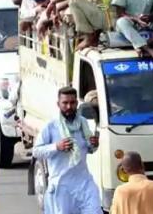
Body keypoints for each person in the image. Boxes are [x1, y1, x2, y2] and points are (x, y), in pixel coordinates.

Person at [32, 86, 100, 214]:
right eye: (65, 103)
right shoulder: (51, 127)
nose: (69, 107)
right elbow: (36, 151)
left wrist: (94, 144)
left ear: (77, 103)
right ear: (58, 104)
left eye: (72, 103)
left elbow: (89, 149)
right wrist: (56, 147)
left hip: (84, 183)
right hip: (62, 186)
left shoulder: (83, 124)